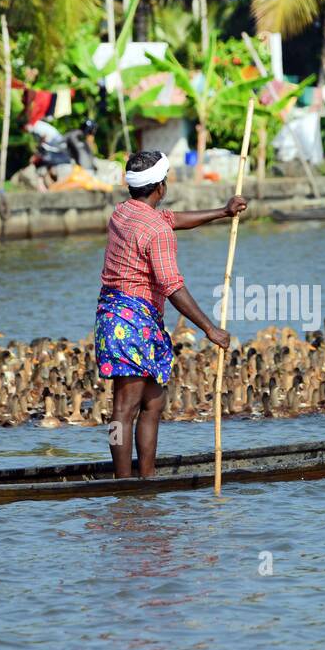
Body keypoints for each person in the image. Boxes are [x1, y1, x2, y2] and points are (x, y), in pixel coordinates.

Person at [95, 150, 248, 478]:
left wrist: (223, 211)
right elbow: (172, 286)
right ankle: (122, 483)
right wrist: (210, 329)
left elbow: (173, 219)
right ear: (159, 188)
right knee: (123, 409)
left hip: (121, 318)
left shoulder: (123, 213)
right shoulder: (155, 230)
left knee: (153, 402)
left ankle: (146, 479)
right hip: (129, 322)